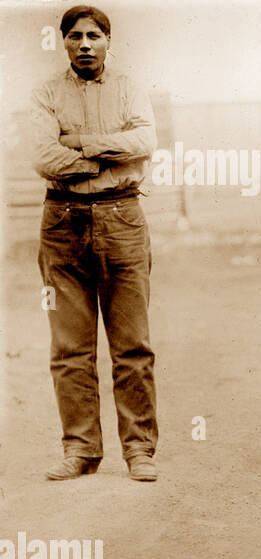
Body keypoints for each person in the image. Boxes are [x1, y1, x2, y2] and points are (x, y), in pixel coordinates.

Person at [34, 5, 159, 482]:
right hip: (62, 220)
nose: (85, 44)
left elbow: (145, 140)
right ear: (63, 42)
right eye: (75, 36)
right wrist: (107, 154)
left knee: (132, 344)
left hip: (122, 218)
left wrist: (79, 144)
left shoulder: (130, 89)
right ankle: (80, 449)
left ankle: (140, 449)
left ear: (108, 41)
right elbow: (42, 154)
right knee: (70, 347)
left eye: (94, 36)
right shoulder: (44, 93)